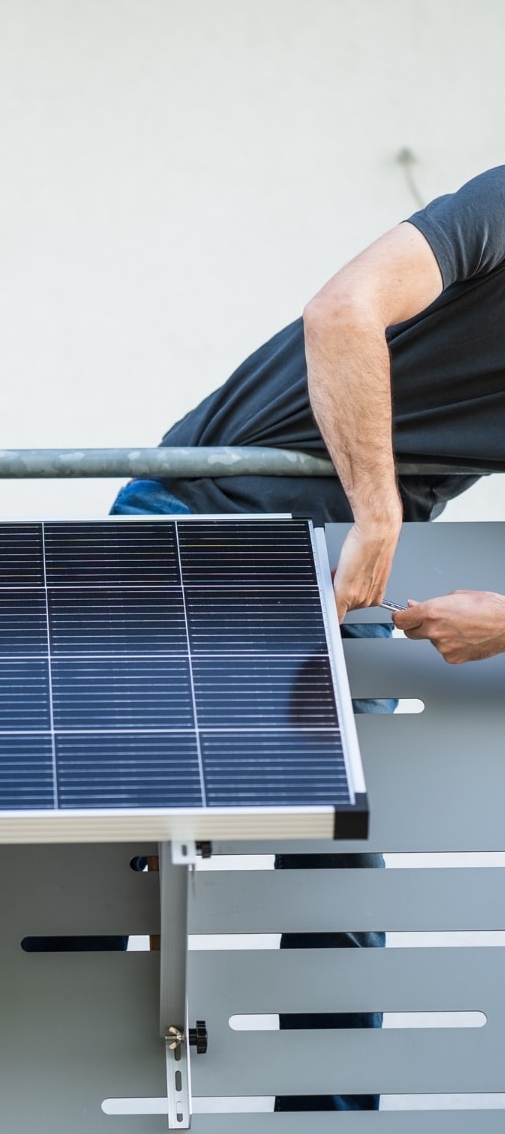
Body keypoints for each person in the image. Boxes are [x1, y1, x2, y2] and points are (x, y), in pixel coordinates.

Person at [111, 164, 505, 1110]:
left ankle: (324, 1113)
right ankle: (25, 1082)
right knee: (101, 849)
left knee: (339, 874)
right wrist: (378, 515)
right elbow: (344, 311)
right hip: (201, 521)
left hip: (337, 579)